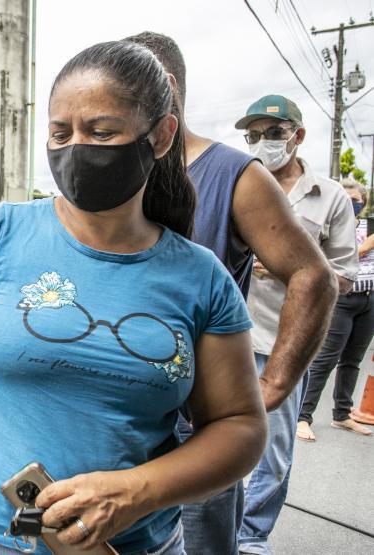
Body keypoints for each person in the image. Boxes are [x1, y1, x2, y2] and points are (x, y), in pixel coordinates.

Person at [0, 41, 267, 555]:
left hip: (136, 546)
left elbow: (240, 427)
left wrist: (134, 493)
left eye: (101, 131)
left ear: (160, 136)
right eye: (59, 132)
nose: (75, 147)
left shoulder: (201, 277)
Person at [126, 32, 338, 555]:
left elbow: (314, 277)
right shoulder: (115, 172)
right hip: (125, 422)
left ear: (166, 87)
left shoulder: (235, 175)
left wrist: (273, 386)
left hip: (198, 429)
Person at [235, 94, 358, 555]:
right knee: (209, 436)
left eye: (272, 133)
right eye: (253, 135)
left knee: (274, 448)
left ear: (297, 135)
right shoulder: (238, 185)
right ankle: (209, 527)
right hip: (229, 336)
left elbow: (343, 277)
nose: (261, 142)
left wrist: (293, 266)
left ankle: (250, 537)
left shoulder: (329, 198)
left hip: (287, 341)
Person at [297, 178, 374, 440]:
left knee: (353, 360)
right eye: (348, 199)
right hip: (341, 299)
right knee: (325, 360)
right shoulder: (334, 224)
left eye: (357, 201)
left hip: (368, 298)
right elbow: (348, 254)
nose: (353, 205)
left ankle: (342, 414)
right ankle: (302, 417)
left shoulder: (368, 225)